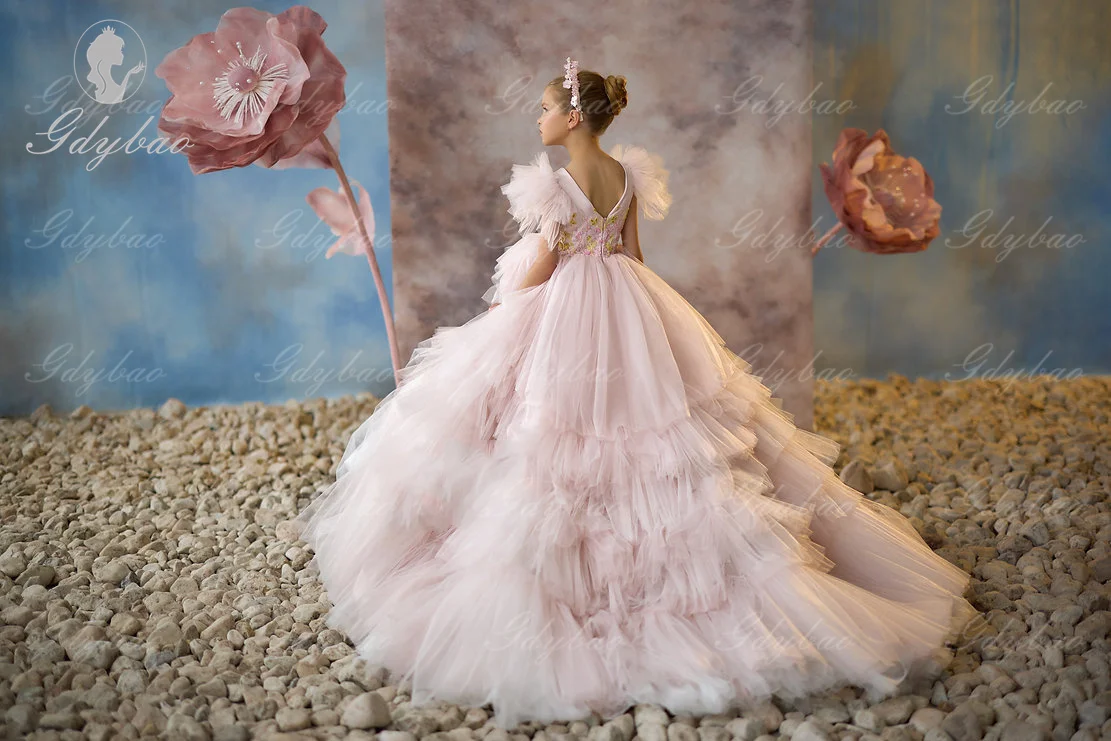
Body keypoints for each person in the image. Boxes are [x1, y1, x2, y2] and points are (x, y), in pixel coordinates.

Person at [294, 58, 977, 729]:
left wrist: (512, 301)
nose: (536, 119)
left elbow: (544, 258)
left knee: (557, 427)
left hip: (568, 307)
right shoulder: (623, 172)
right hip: (628, 300)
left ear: (570, 117)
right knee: (655, 425)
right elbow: (632, 253)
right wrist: (648, 319)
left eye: (541, 109)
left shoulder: (557, 182)